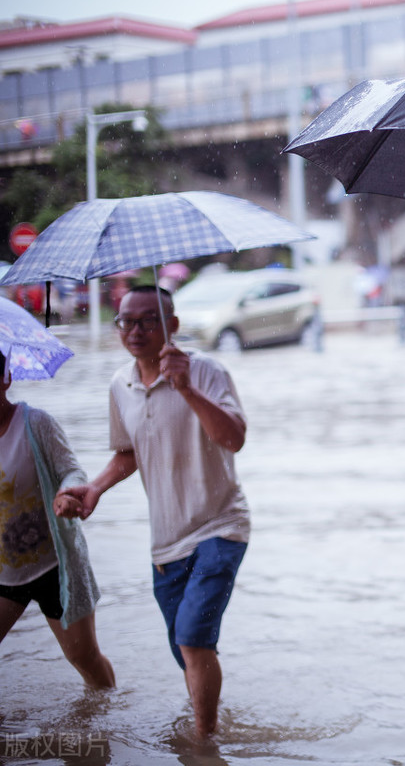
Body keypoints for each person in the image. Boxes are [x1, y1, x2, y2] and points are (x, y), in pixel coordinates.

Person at [55, 285, 250, 738]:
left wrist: (185, 389)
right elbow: (130, 452)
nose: (135, 330)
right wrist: (95, 488)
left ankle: (203, 743)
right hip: (166, 538)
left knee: (192, 638)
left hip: (221, 525)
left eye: (148, 320)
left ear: (173, 326)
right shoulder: (119, 384)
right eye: (127, 321)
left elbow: (233, 438)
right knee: (183, 647)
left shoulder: (206, 371)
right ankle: (210, 723)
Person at [0, 353, 115, 690]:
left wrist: (67, 493)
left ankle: (107, 718)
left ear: (6, 378)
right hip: (5, 573)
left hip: (56, 566)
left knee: (84, 658)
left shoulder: (35, 424)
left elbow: (71, 470)